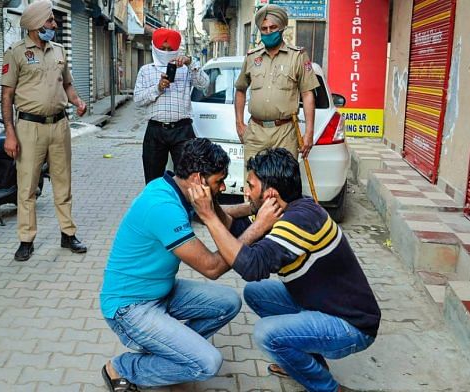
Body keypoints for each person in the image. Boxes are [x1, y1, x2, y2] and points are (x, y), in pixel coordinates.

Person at [188, 148, 381, 392]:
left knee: (266, 334)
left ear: (270, 194)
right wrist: (211, 203)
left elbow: (250, 266)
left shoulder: (299, 222)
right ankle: (305, 361)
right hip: (322, 305)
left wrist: (212, 217)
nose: (245, 191)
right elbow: (238, 232)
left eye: (250, 186)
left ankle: (328, 388)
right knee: (256, 293)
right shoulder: (292, 207)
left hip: (351, 325)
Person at [99, 138, 281, 391]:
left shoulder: (174, 188)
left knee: (228, 302)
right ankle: (123, 367)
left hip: (161, 293)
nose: (224, 186)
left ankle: (177, 351)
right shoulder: (163, 206)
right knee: (207, 363)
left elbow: (224, 217)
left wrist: (254, 207)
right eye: (219, 181)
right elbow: (213, 268)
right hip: (130, 309)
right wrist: (259, 227)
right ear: (197, 179)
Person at [1, 0, 88, 261]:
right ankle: (26, 240)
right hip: (28, 128)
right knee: (26, 186)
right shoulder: (16, 53)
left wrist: (78, 102)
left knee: (63, 183)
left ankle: (67, 234)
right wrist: (10, 132)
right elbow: (7, 95)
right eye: (50, 20)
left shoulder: (59, 50)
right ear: (37, 25)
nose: (54, 24)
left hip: (59, 126)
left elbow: (68, 85)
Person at [234, 4, 320, 169]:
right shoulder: (252, 57)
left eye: (272, 27)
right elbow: (240, 90)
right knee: (253, 187)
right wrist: (239, 123)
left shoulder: (298, 56)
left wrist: (309, 133)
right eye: (264, 29)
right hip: (255, 132)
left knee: (283, 187)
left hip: (285, 133)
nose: (268, 32)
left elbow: (308, 94)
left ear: (282, 29)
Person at [134, 28, 209, 184]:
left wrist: (191, 63)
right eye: (163, 49)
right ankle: (156, 207)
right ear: (155, 48)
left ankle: (184, 208)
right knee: (153, 180)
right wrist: (158, 88)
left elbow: (204, 84)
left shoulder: (187, 70)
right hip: (155, 131)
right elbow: (138, 99)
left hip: (183, 131)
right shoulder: (146, 71)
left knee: (188, 179)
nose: (166, 52)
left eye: (170, 49)